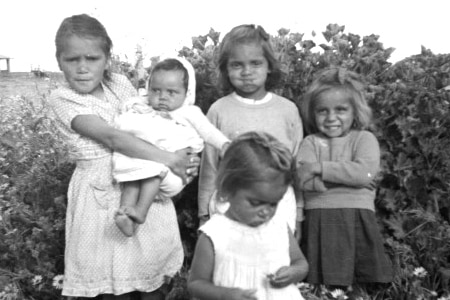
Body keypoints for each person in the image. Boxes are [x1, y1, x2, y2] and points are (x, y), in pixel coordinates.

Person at [49, 14, 199, 300]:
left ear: (107, 58)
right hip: (99, 196)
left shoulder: (118, 83)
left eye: (92, 58)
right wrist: (169, 158)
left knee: (151, 276)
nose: (82, 68)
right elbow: (112, 138)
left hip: (142, 180)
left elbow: (151, 120)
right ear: (59, 61)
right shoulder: (63, 98)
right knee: (110, 284)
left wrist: (183, 153)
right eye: (72, 59)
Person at [197, 24, 304, 233]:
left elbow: (296, 164)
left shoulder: (287, 110)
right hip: (230, 202)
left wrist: (299, 211)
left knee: (276, 260)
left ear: (269, 66)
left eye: (255, 63)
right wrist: (203, 213)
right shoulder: (219, 110)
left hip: (279, 203)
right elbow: (210, 165)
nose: (247, 72)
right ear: (226, 69)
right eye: (237, 65)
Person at [296, 67, 393, 291]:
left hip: (356, 217)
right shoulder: (310, 142)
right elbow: (303, 180)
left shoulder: (364, 139)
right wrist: (349, 178)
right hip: (320, 218)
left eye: (340, 110)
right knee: (324, 285)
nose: (331, 118)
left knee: (360, 283)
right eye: (322, 111)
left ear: (355, 112)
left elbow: (363, 173)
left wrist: (319, 168)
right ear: (313, 113)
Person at [112, 57, 229, 237]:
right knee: (131, 180)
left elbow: (208, 132)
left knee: (152, 174)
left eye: (171, 92)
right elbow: (123, 121)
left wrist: (225, 145)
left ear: (185, 94)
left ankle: (140, 212)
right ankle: (125, 215)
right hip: (141, 156)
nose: (162, 97)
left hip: (164, 165)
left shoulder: (188, 112)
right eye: (156, 90)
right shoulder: (141, 106)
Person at [188, 131, 308, 300]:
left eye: (273, 203)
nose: (266, 211)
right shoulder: (215, 233)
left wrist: (293, 272)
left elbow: (301, 263)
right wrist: (225, 294)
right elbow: (196, 283)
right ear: (227, 190)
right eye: (256, 202)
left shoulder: (278, 225)